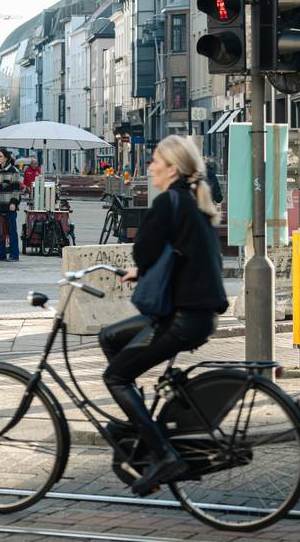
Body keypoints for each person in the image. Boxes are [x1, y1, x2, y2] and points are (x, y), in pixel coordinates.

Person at [100, 135, 227, 496]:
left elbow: (145, 249)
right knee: (109, 337)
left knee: (115, 377)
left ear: (172, 169)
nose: (151, 166)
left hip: (182, 319)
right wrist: (144, 269)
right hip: (195, 314)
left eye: (156, 161)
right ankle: (139, 423)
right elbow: (181, 253)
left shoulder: (169, 203)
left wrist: (140, 266)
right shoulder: (192, 203)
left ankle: (163, 453)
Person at [0, 148, 22, 262]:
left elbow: (16, 189)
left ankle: (14, 254)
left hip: (9, 205)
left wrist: (13, 203)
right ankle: (1, 254)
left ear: (6, 158)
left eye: (0, 156)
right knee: (0, 231)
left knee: (12, 230)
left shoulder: (13, 171)